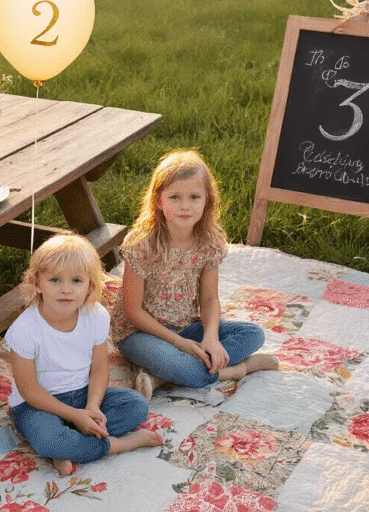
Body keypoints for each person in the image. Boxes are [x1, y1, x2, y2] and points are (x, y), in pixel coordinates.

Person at [111, 150, 278, 400]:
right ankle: (238, 370)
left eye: (194, 197)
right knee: (181, 365)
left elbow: (209, 299)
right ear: (158, 200)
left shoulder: (209, 242)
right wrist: (179, 344)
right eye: (175, 197)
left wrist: (210, 338)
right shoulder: (142, 244)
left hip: (187, 327)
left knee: (253, 334)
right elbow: (133, 312)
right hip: (139, 334)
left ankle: (159, 378)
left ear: (207, 200)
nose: (185, 206)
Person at [7, 234, 162, 476]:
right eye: (55, 280)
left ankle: (68, 448)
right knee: (48, 439)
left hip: (82, 395)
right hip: (38, 404)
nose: (66, 289)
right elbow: (29, 390)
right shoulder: (24, 329)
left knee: (136, 406)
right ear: (37, 283)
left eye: (77, 280)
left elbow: (100, 369)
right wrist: (74, 416)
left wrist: (91, 407)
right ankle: (116, 445)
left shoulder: (95, 316)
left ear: (90, 285)